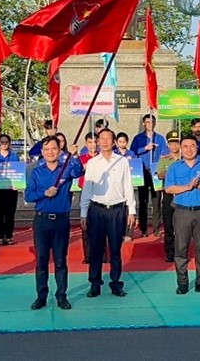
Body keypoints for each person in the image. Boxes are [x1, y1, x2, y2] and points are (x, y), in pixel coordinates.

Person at [25, 136, 86, 311]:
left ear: (59, 150)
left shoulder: (66, 168)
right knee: (42, 261)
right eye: (46, 149)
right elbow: (28, 195)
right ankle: (41, 296)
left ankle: (61, 296)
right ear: (42, 152)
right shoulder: (36, 172)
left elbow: (79, 172)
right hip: (42, 220)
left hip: (61, 220)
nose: (50, 152)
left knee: (60, 260)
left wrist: (75, 155)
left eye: (53, 148)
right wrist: (44, 193)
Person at [79, 128, 137, 298]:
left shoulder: (122, 161)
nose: (105, 142)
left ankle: (116, 283)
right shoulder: (92, 163)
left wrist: (131, 210)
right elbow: (87, 189)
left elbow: (128, 186)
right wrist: (83, 212)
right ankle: (95, 283)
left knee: (115, 248)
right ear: (97, 141)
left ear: (114, 142)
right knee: (96, 249)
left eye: (108, 138)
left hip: (117, 210)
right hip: (97, 210)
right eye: (101, 138)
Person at [164, 134, 200, 295]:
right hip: (182, 212)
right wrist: (187, 187)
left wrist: (198, 184)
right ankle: (182, 282)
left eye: (192, 146)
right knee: (181, 249)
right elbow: (169, 188)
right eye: (185, 146)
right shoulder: (175, 167)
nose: (189, 149)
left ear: (197, 147)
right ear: (181, 148)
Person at [131, 114, 166, 237]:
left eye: (152, 122)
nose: (149, 124)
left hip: (155, 171)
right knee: (143, 201)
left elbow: (165, 153)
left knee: (156, 201)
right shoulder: (138, 138)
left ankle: (156, 228)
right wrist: (145, 148)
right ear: (143, 124)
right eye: (147, 122)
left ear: (155, 123)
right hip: (143, 171)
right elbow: (132, 152)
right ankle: (143, 229)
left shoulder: (160, 138)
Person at [155, 131, 181, 262]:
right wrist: (173, 171)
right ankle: (170, 252)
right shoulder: (164, 159)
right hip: (169, 194)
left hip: (183, 194)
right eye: (172, 143)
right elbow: (160, 175)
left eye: (176, 143)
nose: (174, 146)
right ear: (168, 145)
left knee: (182, 226)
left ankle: (181, 252)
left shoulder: (185, 159)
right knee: (168, 224)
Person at [0, 134, 19, 245]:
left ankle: (9, 235)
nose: (4, 144)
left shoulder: (14, 156)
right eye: (2, 142)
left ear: (9, 143)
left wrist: (18, 184)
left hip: (11, 189)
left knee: (10, 213)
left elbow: (18, 172)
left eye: (6, 142)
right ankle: (0, 236)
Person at [78, 132, 98, 263]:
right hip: (85, 192)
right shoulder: (81, 158)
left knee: (100, 226)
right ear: (86, 144)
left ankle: (102, 254)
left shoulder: (102, 158)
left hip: (99, 193)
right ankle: (88, 255)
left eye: (95, 142)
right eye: (90, 142)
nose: (93, 145)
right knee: (86, 225)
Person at [115, 132, 138, 241]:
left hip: (129, 183)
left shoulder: (131, 154)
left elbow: (136, 167)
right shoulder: (114, 154)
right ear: (116, 142)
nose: (122, 143)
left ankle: (129, 232)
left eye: (124, 141)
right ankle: (118, 231)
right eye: (120, 141)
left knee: (130, 207)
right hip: (117, 184)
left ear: (127, 142)